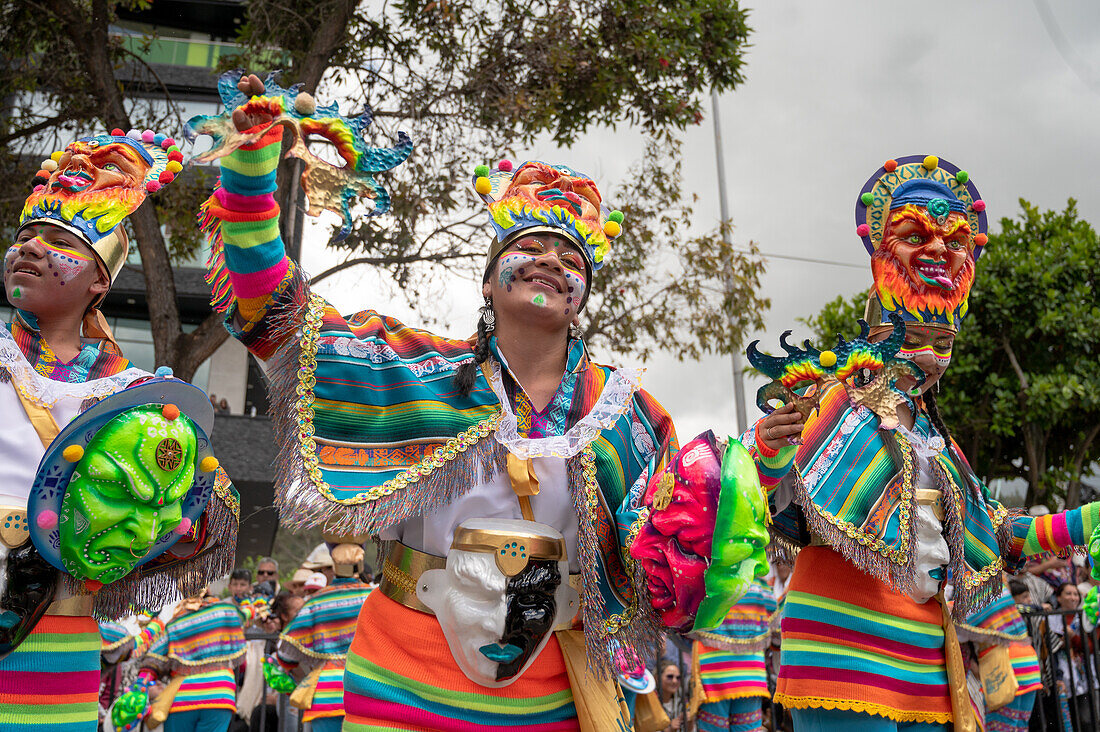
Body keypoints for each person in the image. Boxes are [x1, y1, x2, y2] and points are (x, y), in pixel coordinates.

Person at [188, 70, 761, 731]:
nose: (549, 260)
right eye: (528, 247)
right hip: (402, 674)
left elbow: (664, 559)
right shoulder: (413, 370)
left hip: (550, 691)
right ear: (490, 284)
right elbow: (274, 313)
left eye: (569, 255)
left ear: (583, 293)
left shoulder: (631, 415)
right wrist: (251, 178)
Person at [747, 156, 1100, 732]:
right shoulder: (832, 402)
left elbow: (996, 535)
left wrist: (1084, 523)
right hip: (842, 653)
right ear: (879, 328)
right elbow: (763, 495)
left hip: (929, 666)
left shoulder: (937, 442)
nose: (933, 355)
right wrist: (767, 450)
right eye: (916, 336)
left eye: (945, 340)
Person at [0, 129, 238, 732]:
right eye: (24, 237)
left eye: (57, 242)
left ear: (100, 282)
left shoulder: (137, 398)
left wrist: (164, 486)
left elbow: (202, 523)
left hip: (61, 640)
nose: (29, 248)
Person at [274, 541, 374, 731]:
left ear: (334, 566)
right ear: (360, 565)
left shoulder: (317, 601)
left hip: (326, 697)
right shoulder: (374, 597)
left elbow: (285, 654)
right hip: (367, 693)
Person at [131, 593, 249, 732]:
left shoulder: (176, 624)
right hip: (220, 693)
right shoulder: (224, 613)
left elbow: (152, 661)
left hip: (184, 697)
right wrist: (252, 609)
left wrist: (140, 685)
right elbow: (244, 614)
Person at [689, 578, 777, 732]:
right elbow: (775, 620)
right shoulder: (757, 582)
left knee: (713, 727)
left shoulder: (709, 575)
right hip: (750, 673)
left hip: (713, 669)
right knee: (747, 727)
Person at [955, 580, 1042, 732]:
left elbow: (960, 631)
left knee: (1001, 726)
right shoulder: (1001, 588)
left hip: (1006, 665)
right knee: (1020, 725)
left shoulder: (975, 591)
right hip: (1028, 663)